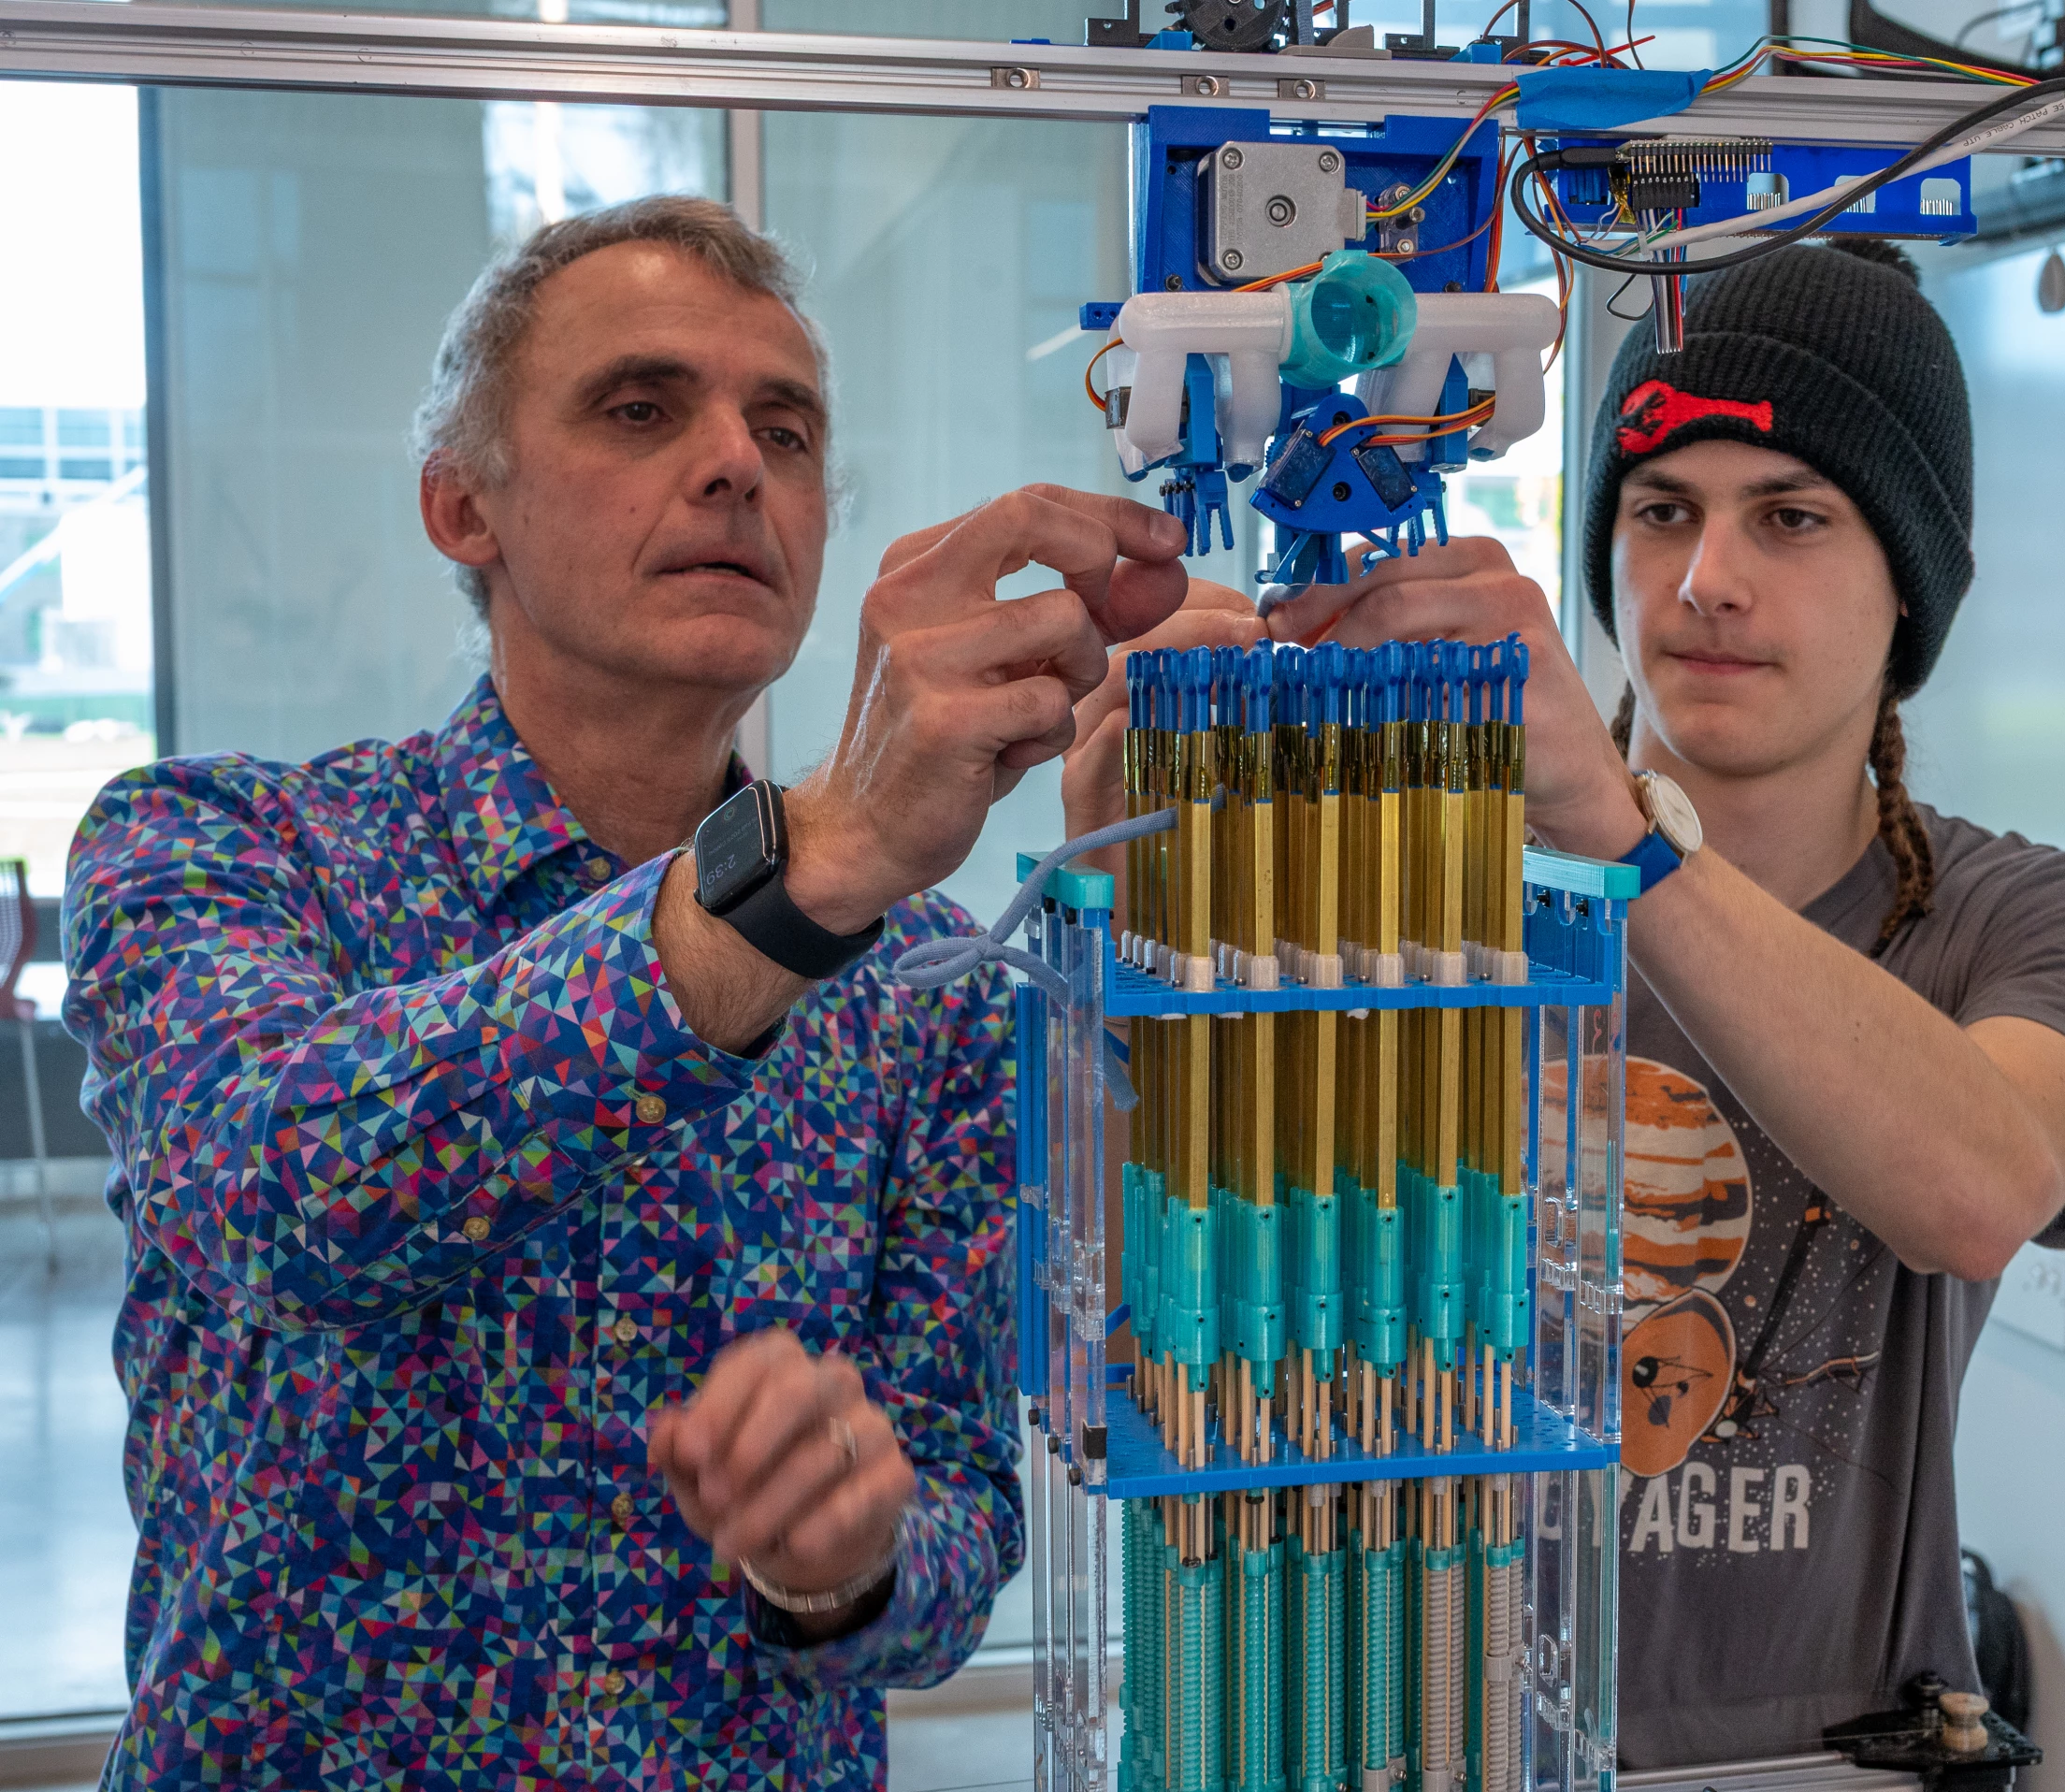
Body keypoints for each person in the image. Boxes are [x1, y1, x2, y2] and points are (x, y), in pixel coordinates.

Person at [61, 195, 1249, 1789]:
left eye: (788, 429)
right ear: (461, 507)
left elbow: (959, 1516)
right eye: (640, 408)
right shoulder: (222, 845)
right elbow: (288, 1193)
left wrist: (845, 1559)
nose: (737, 464)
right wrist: (800, 865)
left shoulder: (929, 987)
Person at [1265, 238, 2065, 1764]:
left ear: (1911, 594)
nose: (1706, 581)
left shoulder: (2027, 913)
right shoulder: (1429, 899)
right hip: (1433, 1730)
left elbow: (1984, 1181)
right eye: (1661, 510)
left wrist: (1623, 840)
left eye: (1792, 518)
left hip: (1826, 1751)